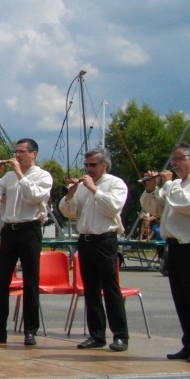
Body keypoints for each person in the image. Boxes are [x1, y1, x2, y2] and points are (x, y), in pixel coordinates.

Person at [142, 143, 190, 363]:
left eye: (177, 159)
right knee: (181, 298)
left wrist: (168, 184)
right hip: (175, 246)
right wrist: (151, 189)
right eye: (173, 160)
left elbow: (187, 205)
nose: (173, 164)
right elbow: (156, 209)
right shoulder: (176, 185)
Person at [0, 137, 52, 347]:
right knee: (1, 281)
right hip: (9, 230)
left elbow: (33, 197)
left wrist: (19, 173)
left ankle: (30, 331)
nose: (17, 155)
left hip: (30, 229)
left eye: (22, 152)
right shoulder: (8, 177)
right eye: (16, 152)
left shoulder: (43, 176)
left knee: (30, 281)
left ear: (33, 154)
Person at [60, 146, 129, 351]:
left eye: (93, 165)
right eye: (86, 165)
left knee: (110, 288)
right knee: (90, 290)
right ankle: (96, 335)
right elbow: (68, 212)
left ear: (104, 165)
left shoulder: (115, 184)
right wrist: (70, 194)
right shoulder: (81, 187)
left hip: (105, 240)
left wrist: (94, 189)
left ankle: (120, 336)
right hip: (86, 240)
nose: (88, 169)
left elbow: (112, 209)